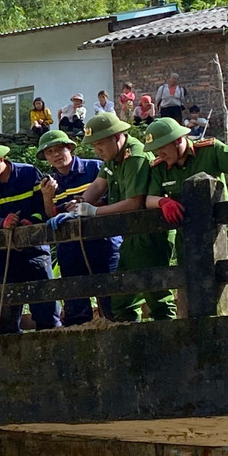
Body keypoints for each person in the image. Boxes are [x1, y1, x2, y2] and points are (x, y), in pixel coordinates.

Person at [142, 116, 228, 313]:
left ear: (178, 140)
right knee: (192, 290)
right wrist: (163, 202)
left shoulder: (210, 150)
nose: (159, 154)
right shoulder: (160, 167)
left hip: (219, 233)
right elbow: (149, 199)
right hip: (187, 237)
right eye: (156, 150)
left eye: (162, 148)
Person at [77, 112, 176, 322]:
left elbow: (135, 203)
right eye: (94, 146)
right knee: (123, 297)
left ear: (117, 137)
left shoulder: (135, 156)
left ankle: (169, 342)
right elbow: (98, 185)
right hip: (130, 236)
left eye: (100, 144)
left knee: (156, 293)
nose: (97, 150)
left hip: (149, 234)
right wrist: (79, 204)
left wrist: (94, 212)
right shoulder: (113, 158)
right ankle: (132, 343)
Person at [0, 137, 59, 333]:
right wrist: (1, 223)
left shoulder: (28, 173)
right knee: (7, 313)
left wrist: (29, 223)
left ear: (2, 158)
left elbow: (43, 207)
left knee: (46, 307)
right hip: (1, 255)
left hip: (34, 251)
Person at [38, 130, 120, 325]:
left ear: (70, 148)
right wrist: (47, 197)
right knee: (75, 305)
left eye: (59, 149)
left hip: (103, 242)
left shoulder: (95, 168)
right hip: (71, 248)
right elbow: (51, 216)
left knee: (112, 302)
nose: (56, 155)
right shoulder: (48, 182)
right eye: (50, 152)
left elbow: (114, 198)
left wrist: (85, 206)